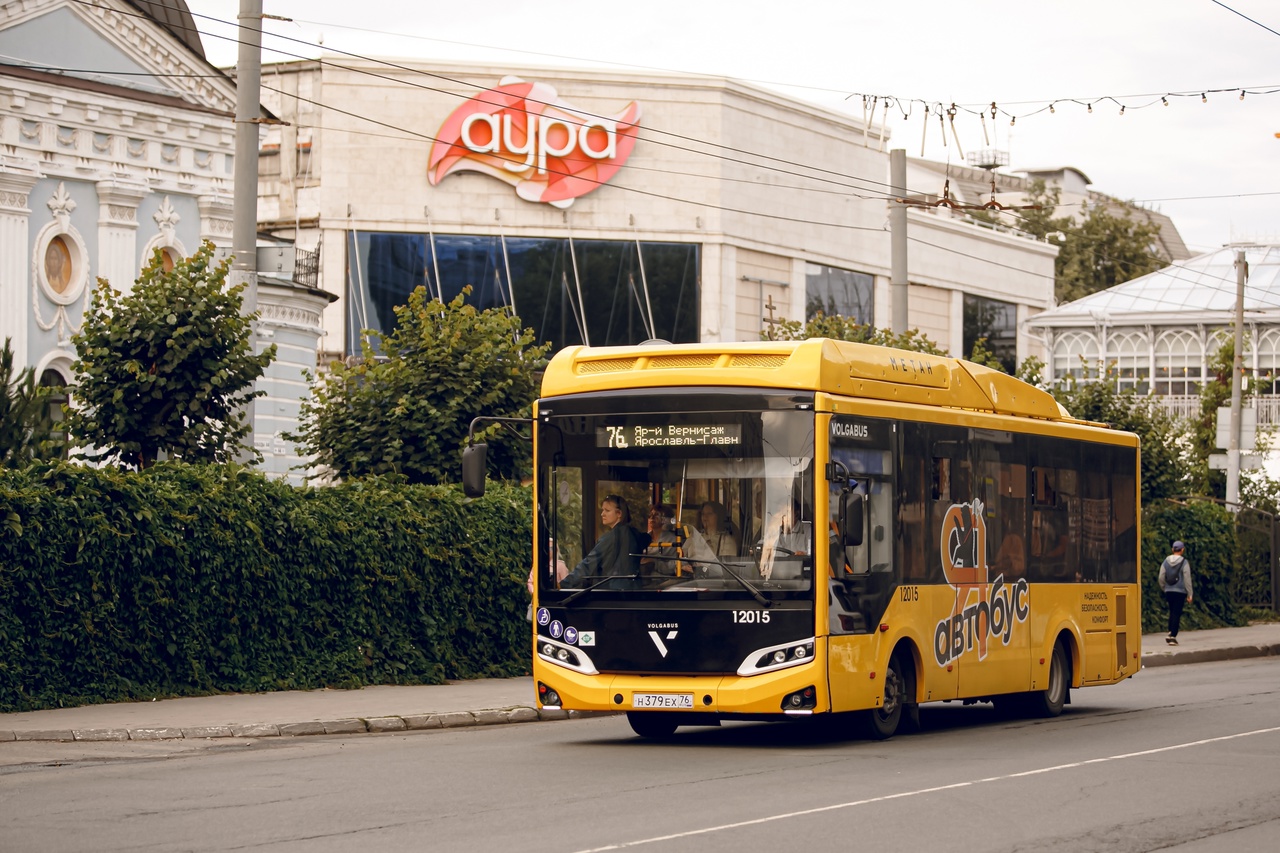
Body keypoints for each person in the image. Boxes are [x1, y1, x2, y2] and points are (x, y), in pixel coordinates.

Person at [560, 496, 644, 588]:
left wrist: (564, 584)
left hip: (611, 594)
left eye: (607, 511)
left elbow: (588, 564)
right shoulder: (635, 534)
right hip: (634, 591)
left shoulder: (611, 537)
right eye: (602, 510)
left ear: (619, 513)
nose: (602, 514)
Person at [1159, 540, 1193, 645]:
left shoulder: (1166, 561)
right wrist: (1190, 593)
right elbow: (1187, 578)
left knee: (1171, 611)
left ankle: (1170, 631)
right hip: (1180, 591)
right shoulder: (1184, 562)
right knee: (1176, 613)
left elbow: (1161, 576)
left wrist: (1164, 588)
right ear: (1182, 550)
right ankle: (1173, 635)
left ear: (1172, 549)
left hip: (1169, 591)